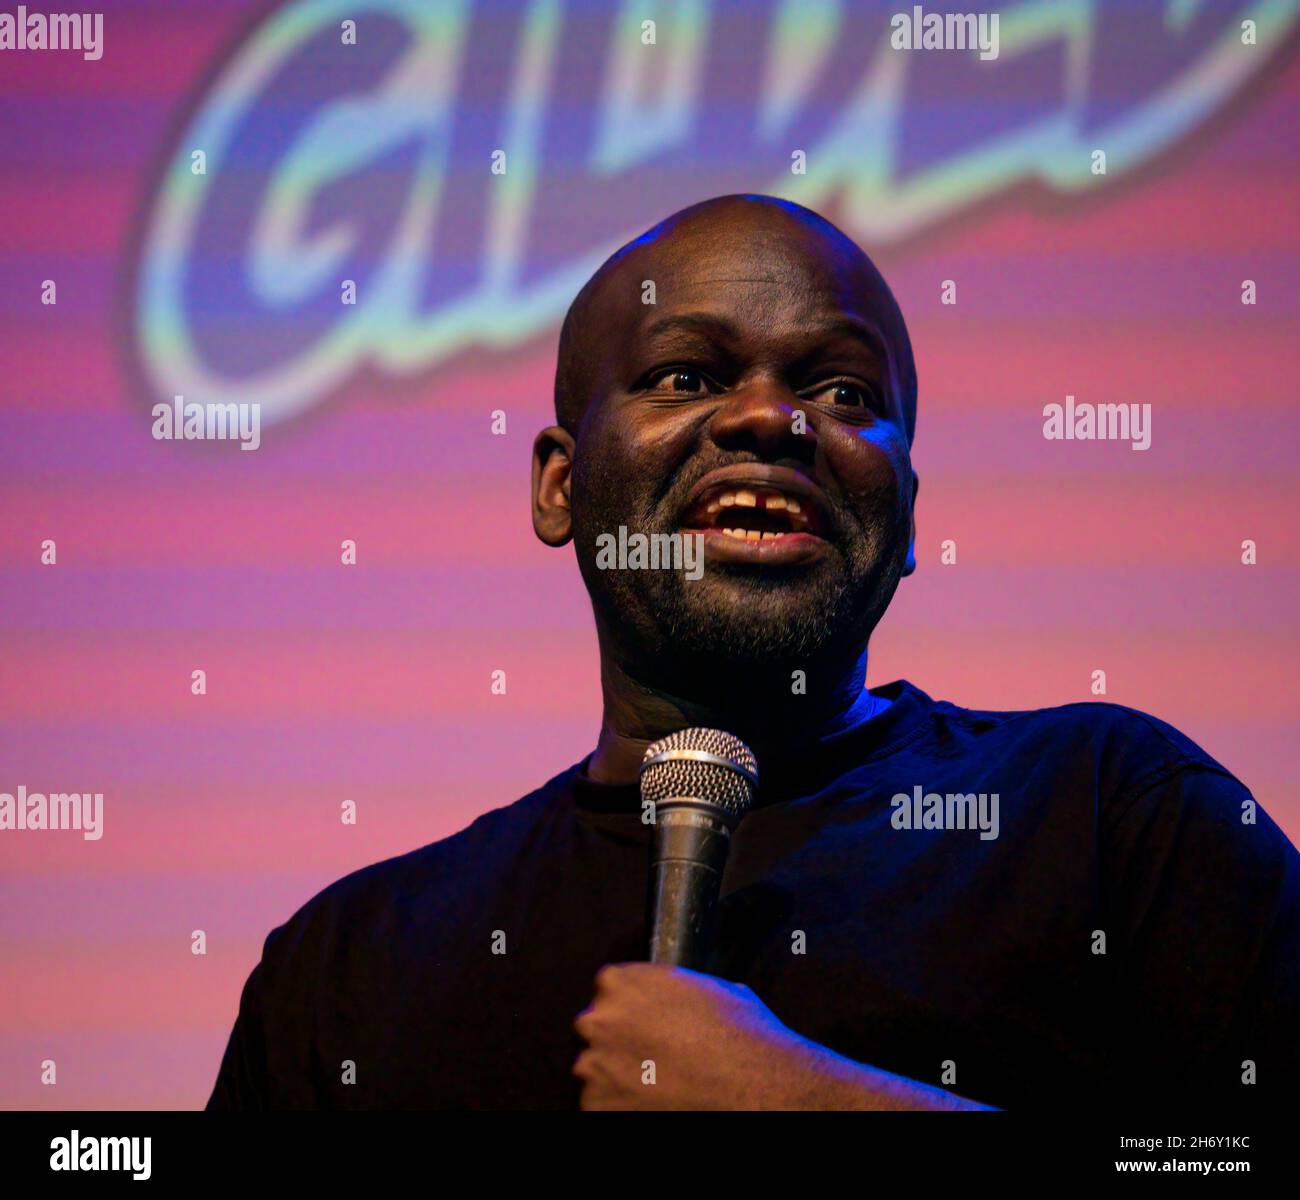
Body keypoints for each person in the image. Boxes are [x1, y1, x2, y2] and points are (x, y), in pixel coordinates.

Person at [208, 195, 1299, 1110]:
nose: (772, 418)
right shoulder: (346, 971)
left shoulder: (1118, 816)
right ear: (558, 485)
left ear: (908, 518)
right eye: (684, 375)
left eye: (843, 392)